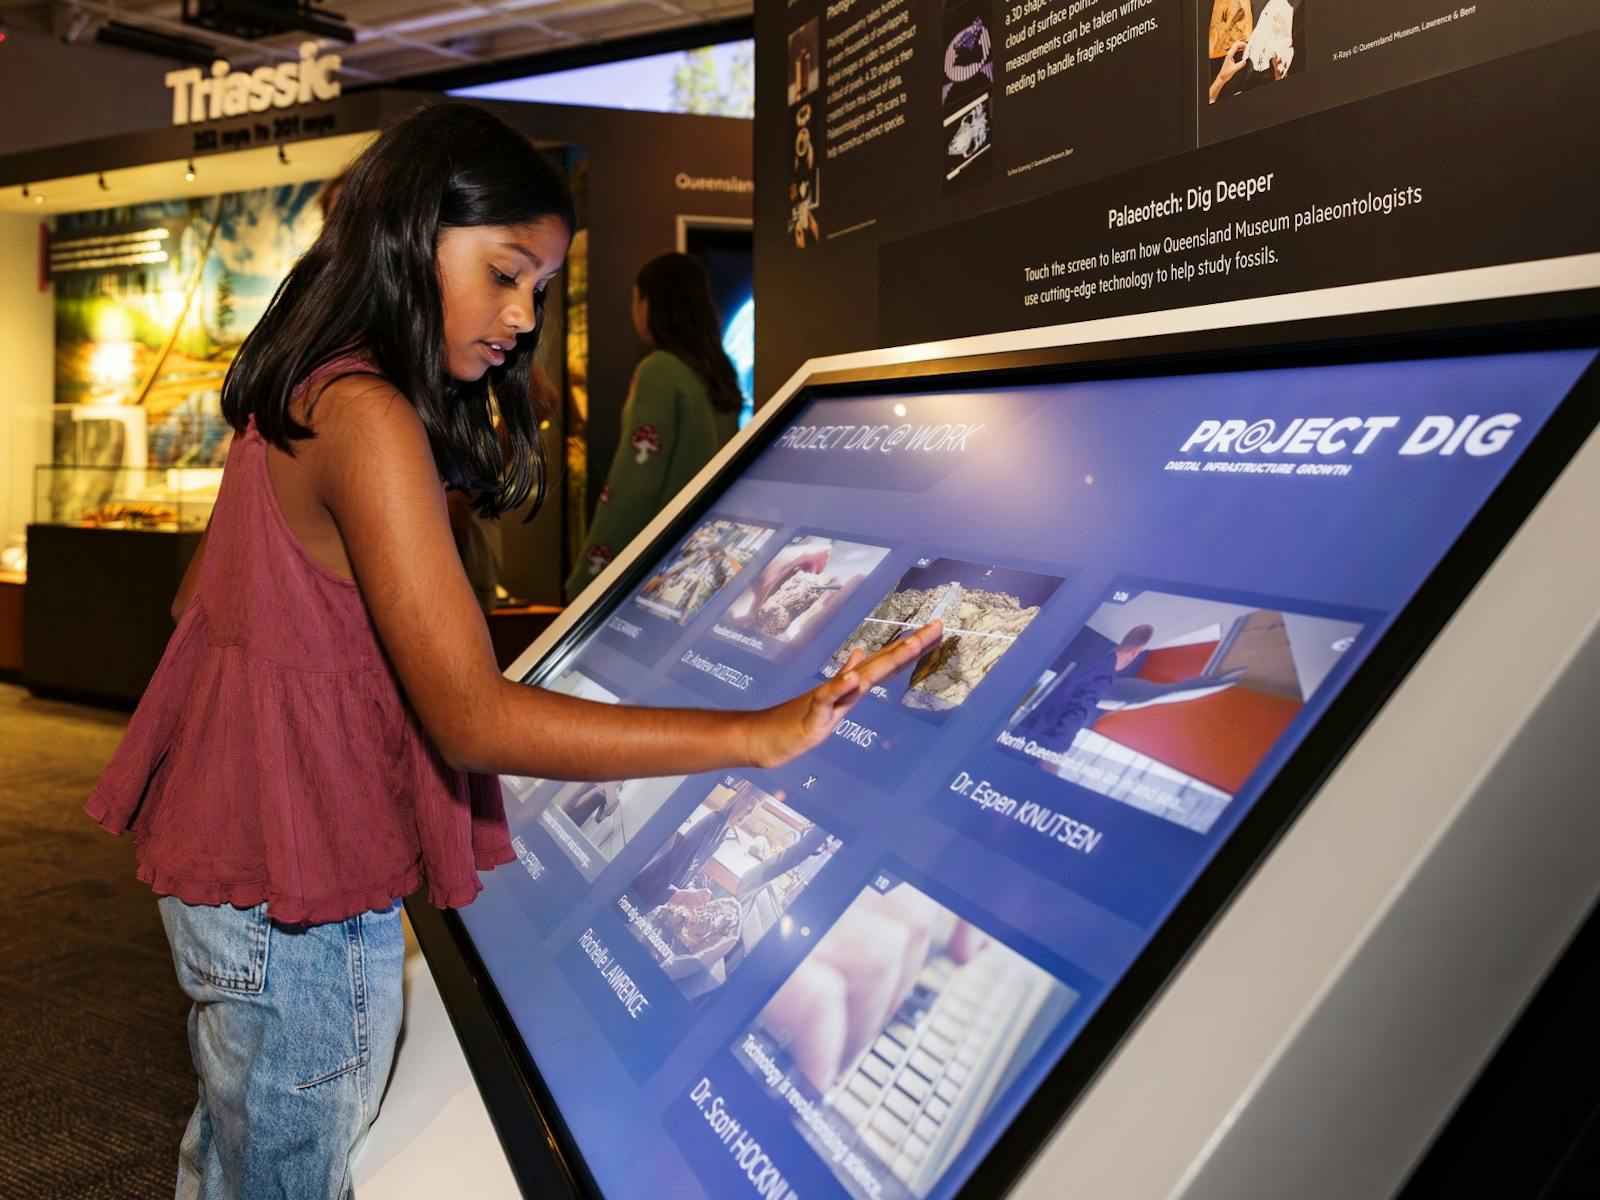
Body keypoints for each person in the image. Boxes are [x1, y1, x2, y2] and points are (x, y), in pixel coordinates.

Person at [82, 101, 940, 1200]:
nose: (522, 315)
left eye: (537, 286)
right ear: (408, 235)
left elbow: (199, 601)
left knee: (239, 1136)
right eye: (502, 272)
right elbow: (471, 718)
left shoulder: (298, 387)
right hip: (297, 883)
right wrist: (753, 733)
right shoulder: (369, 415)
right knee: (288, 1164)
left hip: (235, 860)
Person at [565, 252, 743, 600]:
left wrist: (588, 577)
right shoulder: (719, 374)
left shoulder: (658, 371)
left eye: (635, 298)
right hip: (699, 559)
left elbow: (633, 484)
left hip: (652, 569)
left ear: (650, 304)